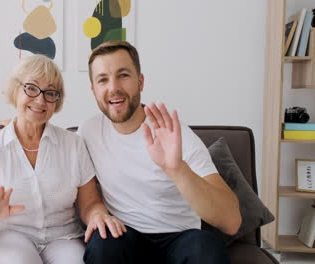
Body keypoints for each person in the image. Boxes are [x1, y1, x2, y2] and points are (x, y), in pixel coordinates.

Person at [78, 40, 242, 264]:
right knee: (102, 243)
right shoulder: (89, 131)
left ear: (140, 81)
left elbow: (231, 221)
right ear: (94, 90)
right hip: (125, 235)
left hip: (181, 237)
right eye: (103, 79)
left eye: (123, 75)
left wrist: (176, 169)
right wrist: (15, 123)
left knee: (206, 248)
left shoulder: (175, 134)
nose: (113, 87)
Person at [0, 54, 126, 264]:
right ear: (15, 90)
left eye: (50, 93)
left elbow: (90, 203)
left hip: (62, 238)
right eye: (32, 88)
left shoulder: (74, 145)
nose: (40, 100)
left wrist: (98, 215)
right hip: (5, 236)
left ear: (57, 101)